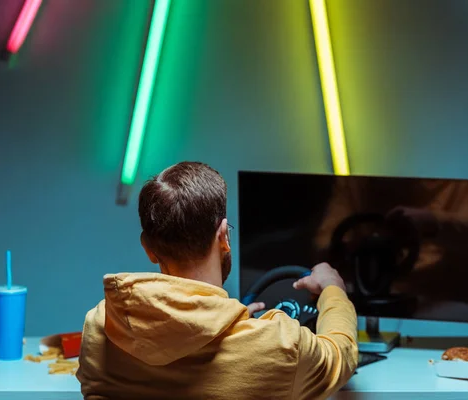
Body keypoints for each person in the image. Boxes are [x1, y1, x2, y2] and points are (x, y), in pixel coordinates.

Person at [76, 161, 358, 400]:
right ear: (223, 236)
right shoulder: (277, 345)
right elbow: (339, 355)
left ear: (148, 248)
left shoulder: (101, 326)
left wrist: (228, 325)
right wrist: (333, 290)